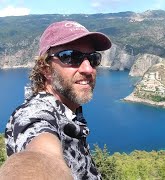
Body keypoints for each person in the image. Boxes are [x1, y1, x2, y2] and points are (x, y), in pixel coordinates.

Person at [0, 20, 112, 179]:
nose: (88, 69)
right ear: (46, 69)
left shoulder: (68, 111)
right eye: (71, 57)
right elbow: (40, 153)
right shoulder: (34, 115)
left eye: (93, 58)